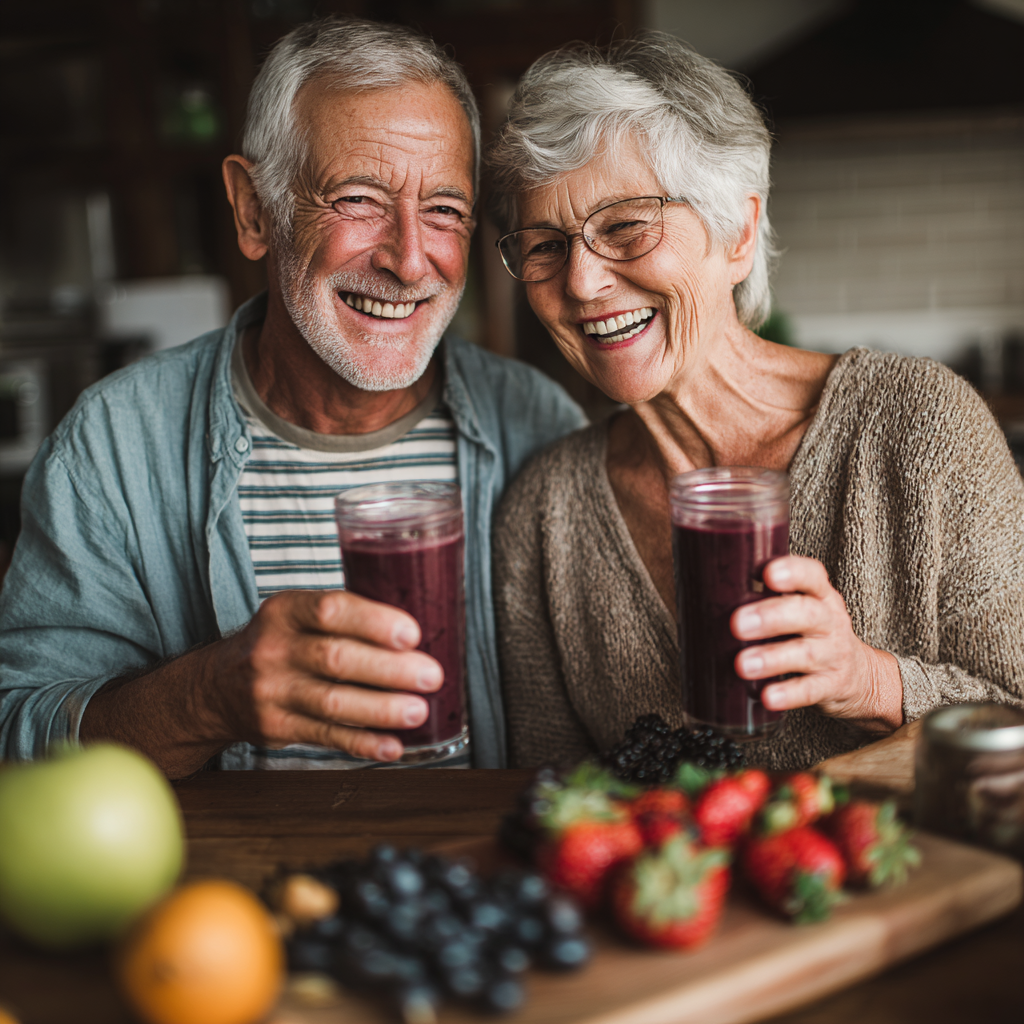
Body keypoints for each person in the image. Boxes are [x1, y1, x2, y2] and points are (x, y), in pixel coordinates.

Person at [0, 17, 585, 776]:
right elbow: (15, 737)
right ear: (254, 211)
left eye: (445, 209)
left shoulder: (540, 427)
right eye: (358, 199)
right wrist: (206, 698)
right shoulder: (113, 445)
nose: (411, 261)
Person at [488, 34, 1024, 770]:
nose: (581, 283)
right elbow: (554, 798)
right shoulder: (544, 516)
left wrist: (869, 681)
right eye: (546, 245)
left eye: (627, 226)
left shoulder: (920, 425)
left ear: (738, 234)